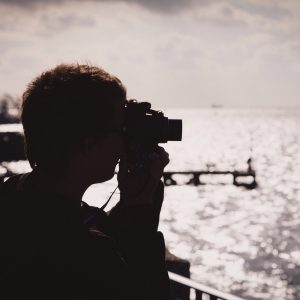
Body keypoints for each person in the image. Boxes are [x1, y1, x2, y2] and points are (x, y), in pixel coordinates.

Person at [0, 64, 170, 300]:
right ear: (89, 144)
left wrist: (131, 202)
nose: (126, 141)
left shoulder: (11, 196)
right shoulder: (84, 254)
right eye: (121, 129)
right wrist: (141, 204)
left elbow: (87, 229)